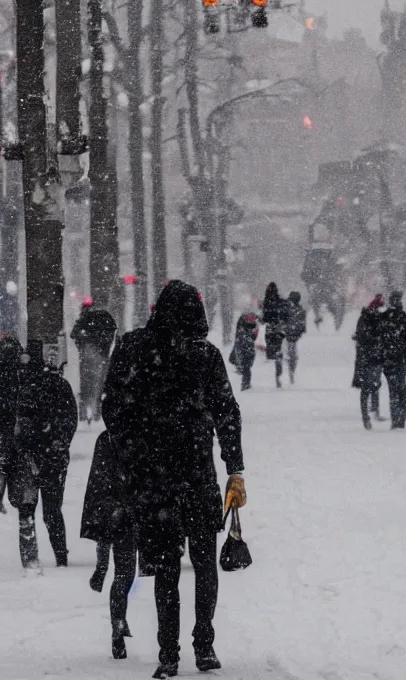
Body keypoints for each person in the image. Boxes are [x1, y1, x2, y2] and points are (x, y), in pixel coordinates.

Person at [101, 280, 246, 678]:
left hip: (153, 480)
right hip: (198, 474)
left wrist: (131, 450)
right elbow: (227, 413)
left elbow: (112, 407)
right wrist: (234, 467)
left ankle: (168, 652)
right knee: (204, 563)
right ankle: (204, 644)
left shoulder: (133, 350)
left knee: (165, 566)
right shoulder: (206, 356)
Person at [7, 339, 78, 571]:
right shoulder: (58, 385)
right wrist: (59, 443)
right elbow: (69, 420)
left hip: (27, 456)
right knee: (52, 509)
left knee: (27, 509)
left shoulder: (19, 385)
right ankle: (60, 557)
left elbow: (16, 423)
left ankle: (31, 559)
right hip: (52, 456)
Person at [80, 430, 137, 660]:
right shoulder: (143, 430)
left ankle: (117, 623)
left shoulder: (108, 438)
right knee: (126, 572)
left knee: (124, 572)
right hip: (133, 506)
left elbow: (99, 483)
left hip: (120, 507)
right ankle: (118, 622)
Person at [71, 299, 117, 424]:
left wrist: (82, 346)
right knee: (98, 383)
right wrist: (104, 350)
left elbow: (74, 335)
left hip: (87, 354)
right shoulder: (104, 318)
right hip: (101, 355)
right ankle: (96, 412)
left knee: (87, 384)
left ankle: (85, 413)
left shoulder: (84, 321)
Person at [380, 290, 406, 429]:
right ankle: (400, 420)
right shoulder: (403, 317)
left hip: (388, 359)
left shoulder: (384, 317)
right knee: (401, 389)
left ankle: (396, 419)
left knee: (394, 389)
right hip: (401, 358)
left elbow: (377, 337)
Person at [352, 295, 386, 429]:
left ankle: (368, 414)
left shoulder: (365, 318)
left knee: (369, 386)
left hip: (366, 358)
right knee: (372, 385)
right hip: (372, 358)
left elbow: (360, 336)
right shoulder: (374, 319)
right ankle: (370, 413)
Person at [0, 334, 23, 517]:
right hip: (11, 418)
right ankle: (14, 496)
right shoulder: (18, 370)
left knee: (5, 459)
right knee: (10, 459)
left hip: (6, 417)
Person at [262, 282, 288, 388]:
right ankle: (278, 372)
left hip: (269, 327)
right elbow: (285, 314)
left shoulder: (266, 301)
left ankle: (272, 354)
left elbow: (264, 317)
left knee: (270, 346)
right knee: (278, 347)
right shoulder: (280, 301)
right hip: (278, 327)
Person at [229, 311, 259, 391]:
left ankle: (245, 383)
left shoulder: (244, 324)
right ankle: (245, 384)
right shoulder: (246, 323)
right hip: (245, 345)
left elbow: (253, 336)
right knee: (247, 365)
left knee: (246, 365)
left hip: (244, 345)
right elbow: (253, 336)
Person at [285, 291, 307, 385]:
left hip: (287, 334)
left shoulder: (286, 307)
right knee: (292, 353)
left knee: (290, 352)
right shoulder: (300, 309)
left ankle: (290, 367)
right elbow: (302, 323)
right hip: (293, 335)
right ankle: (291, 368)